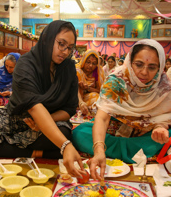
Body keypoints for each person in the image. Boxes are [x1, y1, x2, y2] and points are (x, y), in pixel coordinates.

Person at [0, 20, 85, 178]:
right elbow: (33, 106)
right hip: (17, 118)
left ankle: (10, 146)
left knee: (63, 132)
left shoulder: (68, 68)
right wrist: (65, 146)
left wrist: (47, 121)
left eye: (70, 47)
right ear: (47, 39)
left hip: (51, 121)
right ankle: (35, 152)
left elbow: (69, 109)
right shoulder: (26, 64)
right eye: (61, 44)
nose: (65, 52)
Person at [73, 39, 171, 180]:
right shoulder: (116, 80)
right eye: (139, 65)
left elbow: (162, 116)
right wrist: (99, 149)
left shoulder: (164, 87)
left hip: (143, 133)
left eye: (152, 67)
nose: (144, 72)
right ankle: (134, 153)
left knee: (167, 137)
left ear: (160, 67)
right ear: (130, 62)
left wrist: (159, 128)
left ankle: (115, 150)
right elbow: (102, 117)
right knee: (79, 133)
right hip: (116, 128)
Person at [76, 49, 105, 115]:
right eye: (88, 62)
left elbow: (100, 90)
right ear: (83, 61)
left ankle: (86, 107)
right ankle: (80, 105)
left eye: (94, 63)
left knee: (97, 98)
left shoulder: (98, 72)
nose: (91, 65)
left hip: (88, 97)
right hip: (76, 96)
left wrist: (88, 88)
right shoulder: (77, 70)